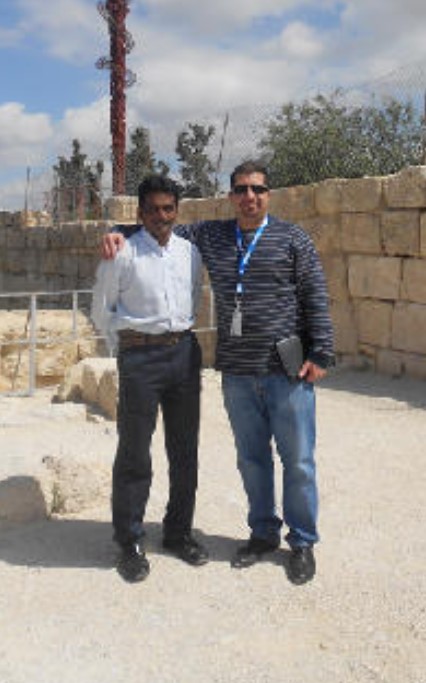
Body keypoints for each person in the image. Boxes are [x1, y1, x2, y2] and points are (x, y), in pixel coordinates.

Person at [101, 160, 334, 585]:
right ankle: (263, 534)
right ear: (231, 196)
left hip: (285, 369)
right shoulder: (212, 235)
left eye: (257, 189)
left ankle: (302, 542)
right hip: (238, 371)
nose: (249, 197)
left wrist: (321, 352)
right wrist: (118, 229)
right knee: (252, 459)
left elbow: (315, 293)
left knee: (298, 461)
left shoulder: (292, 238)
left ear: (268, 194)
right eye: (241, 189)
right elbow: (158, 226)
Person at [92, 175, 209, 583]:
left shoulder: (190, 252)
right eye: (153, 209)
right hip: (140, 357)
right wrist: (127, 347)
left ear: (177, 211)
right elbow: (101, 308)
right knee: (134, 451)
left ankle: (178, 532)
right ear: (140, 213)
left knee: (185, 449)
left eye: (168, 208)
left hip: (184, 354)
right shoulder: (122, 252)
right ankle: (130, 541)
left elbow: (194, 296)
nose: (161, 216)